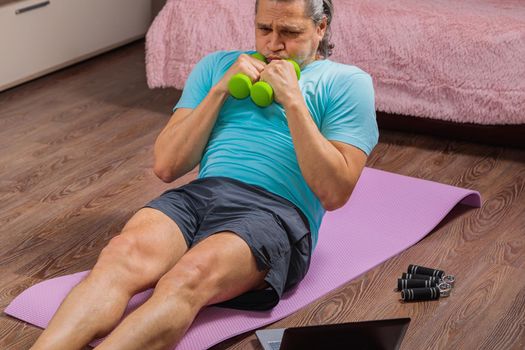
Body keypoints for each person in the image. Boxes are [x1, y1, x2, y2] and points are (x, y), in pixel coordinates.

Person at [31, 0, 378, 349]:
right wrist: (220, 90)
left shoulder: (347, 83)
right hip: (201, 195)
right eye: (263, 30)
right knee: (120, 256)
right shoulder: (218, 66)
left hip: (276, 212)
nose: (273, 44)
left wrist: (293, 101)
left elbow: (335, 193)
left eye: (289, 32)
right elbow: (167, 166)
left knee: (187, 277)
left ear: (321, 28)